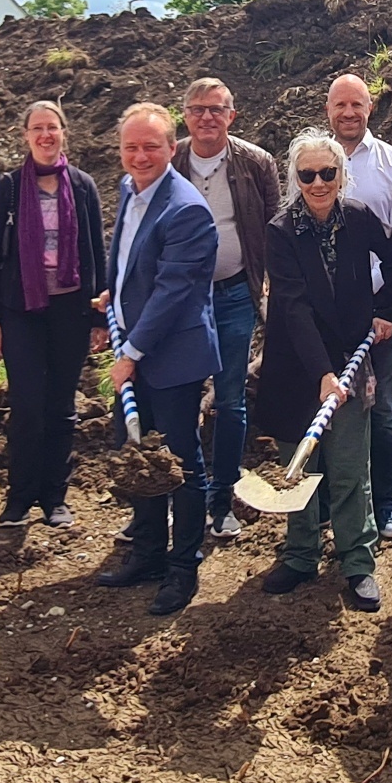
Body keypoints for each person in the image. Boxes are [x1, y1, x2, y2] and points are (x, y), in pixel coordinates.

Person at [254, 129, 392, 612]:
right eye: (307, 175)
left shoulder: (359, 218)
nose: (318, 183)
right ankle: (300, 555)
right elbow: (294, 307)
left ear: (342, 175)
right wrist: (322, 373)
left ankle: (357, 562)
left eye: (328, 173)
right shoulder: (281, 231)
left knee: (347, 467)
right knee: (297, 470)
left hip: (350, 359)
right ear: (295, 178)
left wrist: (387, 309)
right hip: (296, 366)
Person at [95, 103, 220, 616]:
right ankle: (146, 553)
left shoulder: (185, 208)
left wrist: (131, 352)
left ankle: (183, 566)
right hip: (136, 343)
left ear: (173, 148)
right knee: (138, 452)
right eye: (131, 147)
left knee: (180, 463)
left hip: (172, 356)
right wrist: (113, 298)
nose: (140, 156)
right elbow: (129, 262)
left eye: (151, 146)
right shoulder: (131, 190)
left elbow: (173, 292)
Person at [0, 101, 108, 528]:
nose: (45, 135)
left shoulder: (84, 185)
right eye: (37, 128)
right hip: (23, 311)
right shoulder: (12, 186)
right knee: (28, 406)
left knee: (61, 408)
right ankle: (19, 497)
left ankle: (55, 496)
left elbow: (96, 251)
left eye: (52, 127)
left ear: (63, 133)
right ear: (26, 135)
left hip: (71, 311)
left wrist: (98, 317)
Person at [170, 77, 278, 539]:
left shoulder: (256, 163)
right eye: (198, 109)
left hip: (235, 294)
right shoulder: (169, 160)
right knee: (180, 398)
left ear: (232, 115)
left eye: (216, 109)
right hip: (182, 300)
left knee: (231, 398)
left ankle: (221, 499)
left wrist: (277, 290)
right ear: (186, 116)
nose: (207, 117)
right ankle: (186, 495)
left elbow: (276, 228)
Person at [326, 74, 392, 542]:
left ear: (370, 108)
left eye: (357, 104)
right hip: (326, 310)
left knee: (381, 408)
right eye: (340, 104)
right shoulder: (312, 162)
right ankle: (330, 504)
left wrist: (375, 301)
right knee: (329, 404)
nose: (349, 113)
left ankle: (386, 505)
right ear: (328, 110)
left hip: (381, 308)